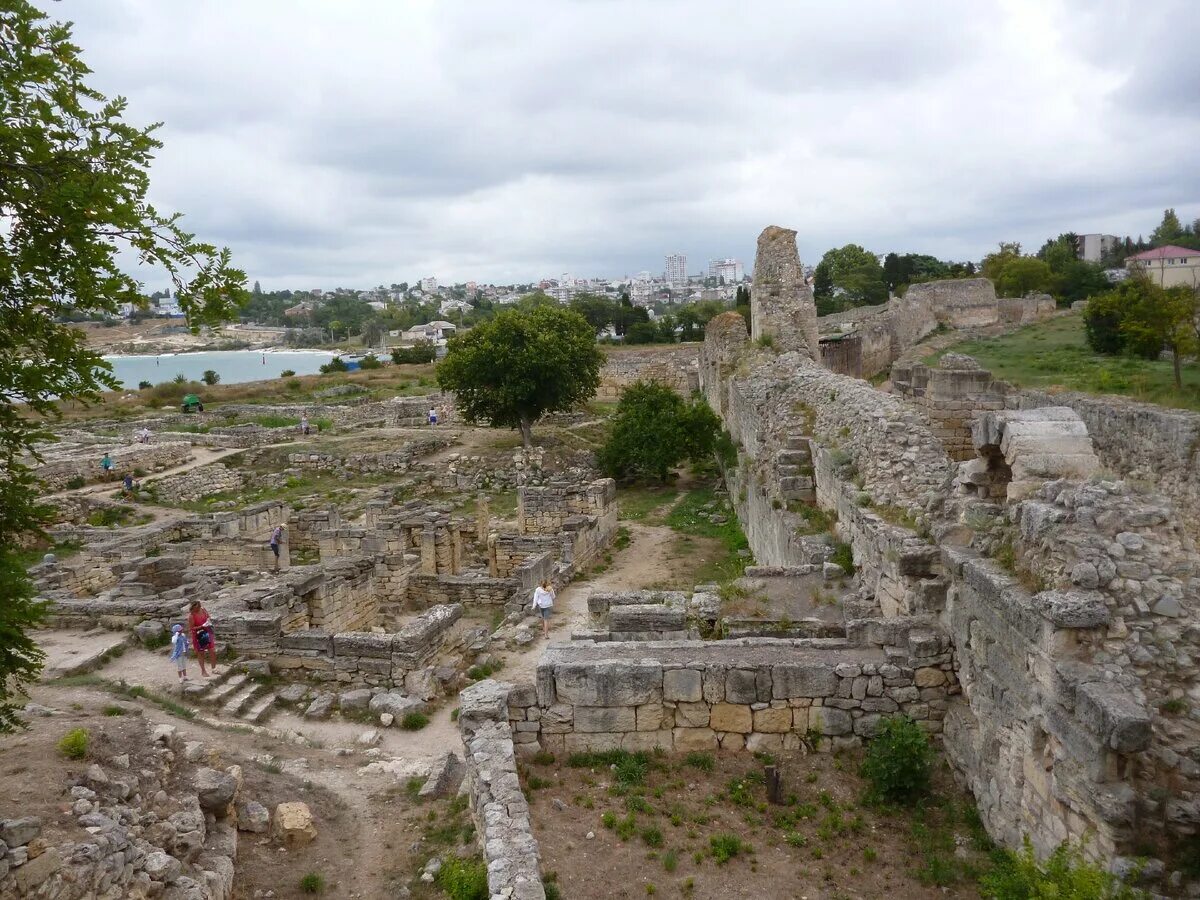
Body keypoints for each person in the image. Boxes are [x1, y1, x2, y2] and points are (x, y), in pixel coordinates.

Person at [187, 600, 218, 677]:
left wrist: (208, 620)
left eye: (198, 608)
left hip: (207, 631)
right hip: (198, 635)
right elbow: (192, 628)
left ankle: (214, 669)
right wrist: (201, 626)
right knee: (201, 653)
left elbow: (208, 617)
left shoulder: (203, 610)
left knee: (212, 651)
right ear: (192, 608)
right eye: (195, 609)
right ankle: (203, 671)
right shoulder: (191, 616)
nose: (197, 610)